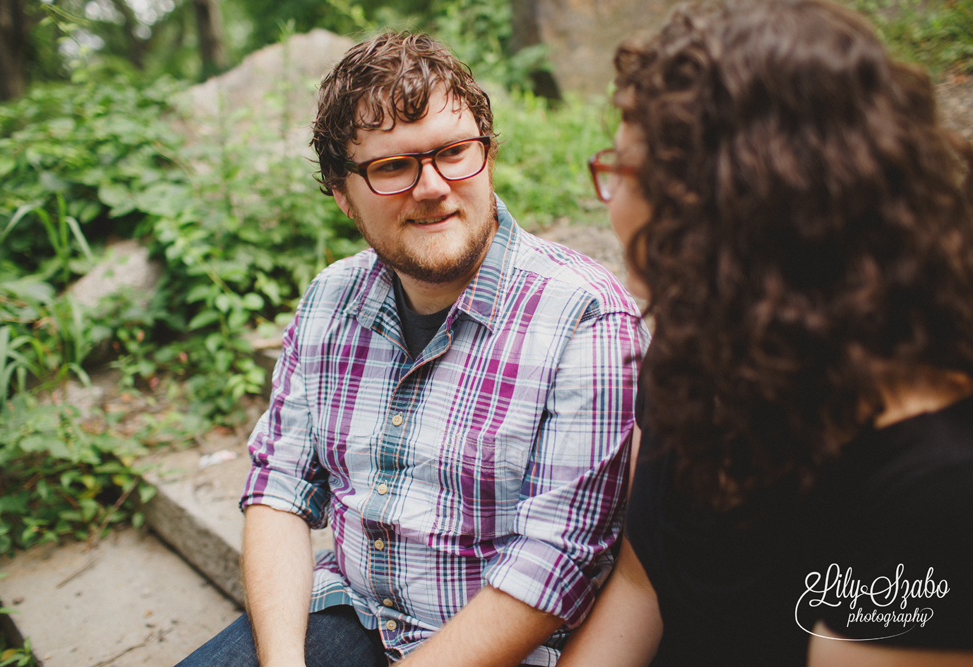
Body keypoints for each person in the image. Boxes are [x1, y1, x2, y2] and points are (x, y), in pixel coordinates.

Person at [178, 32, 647, 667]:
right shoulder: (330, 299)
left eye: (454, 152)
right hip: (353, 611)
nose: (432, 186)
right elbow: (279, 489)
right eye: (393, 166)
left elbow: (556, 565)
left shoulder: (585, 318)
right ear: (343, 195)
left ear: (488, 156)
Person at [557, 1, 973, 665]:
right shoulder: (702, 346)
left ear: (727, 204)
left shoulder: (933, 492)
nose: (615, 207)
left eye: (624, 171)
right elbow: (641, 585)